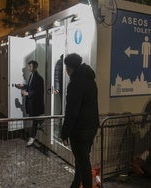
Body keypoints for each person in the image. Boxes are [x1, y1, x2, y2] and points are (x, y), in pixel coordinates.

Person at [61, 53, 99, 188]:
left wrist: (64, 133)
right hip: (91, 127)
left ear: (69, 68)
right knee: (81, 159)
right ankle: (76, 184)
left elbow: (72, 111)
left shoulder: (75, 83)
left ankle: (85, 185)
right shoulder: (90, 80)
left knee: (83, 162)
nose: (66, 71)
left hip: (80, 130)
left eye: (66, 67)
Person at [16, 60, 44, 146]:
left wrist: (28, 93)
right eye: (28, 66)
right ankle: (40, 123)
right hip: (32, 103)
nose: (28, 68)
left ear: (35, 67)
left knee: (34, 121)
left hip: (36, 103)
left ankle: (32, 138)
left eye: (30, 66)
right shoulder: (32, 75)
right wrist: (23, 86)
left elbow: (39, 91)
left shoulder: (39, 78)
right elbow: (31, 86)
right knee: (34, 119)